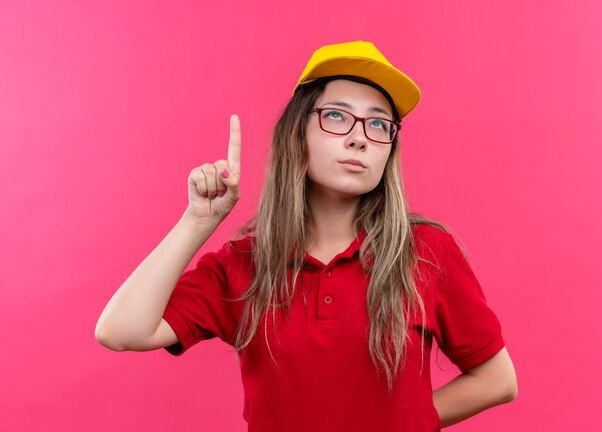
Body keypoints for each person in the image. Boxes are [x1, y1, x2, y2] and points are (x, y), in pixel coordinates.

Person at [95, 40, 517, 431]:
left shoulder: (426, 252)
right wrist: (198, 221)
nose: (358, 138)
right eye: (336, 115)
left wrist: (395, 421)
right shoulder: (244, 263)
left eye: (378, 124)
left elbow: (498, 380)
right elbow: (121, 331)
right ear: (298, 133)